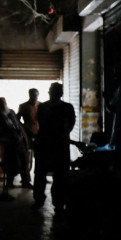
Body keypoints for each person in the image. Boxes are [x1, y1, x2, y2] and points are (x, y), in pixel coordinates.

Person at [32, 83, 76, 213]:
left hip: (52, 144)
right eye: (53, 91)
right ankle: (54, 202)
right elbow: (70, 124)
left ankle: (54, 201)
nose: (54, 93)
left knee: (55, 174)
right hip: (53, 144)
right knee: (48, 174)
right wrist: (62, 133)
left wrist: (62, 134)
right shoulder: (63, 107)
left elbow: (70, 124)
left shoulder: (45, 107)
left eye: (56, 91)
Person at [0, 97, 32, 188]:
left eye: (4, 103)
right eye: (1, 103)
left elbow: (17, 124)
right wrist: (11, 136)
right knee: (12, 163)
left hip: (21, 141)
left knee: (24, 161)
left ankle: (26, 181)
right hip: (11, 143)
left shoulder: (11, 112)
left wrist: (22, 133)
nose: (3, 105)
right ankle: (9, 182)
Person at [17, 88, 40, 171]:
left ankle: (38, 174)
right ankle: (26, 176)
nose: (35, 98)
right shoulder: (23, 106)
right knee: (26, 155)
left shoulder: (41, 106)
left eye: (36, 96)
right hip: (27, 133)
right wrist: (24, 127)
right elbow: (17, 120)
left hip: (39, 133)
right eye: (33, 96)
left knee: (38, 155)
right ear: (29, 95)